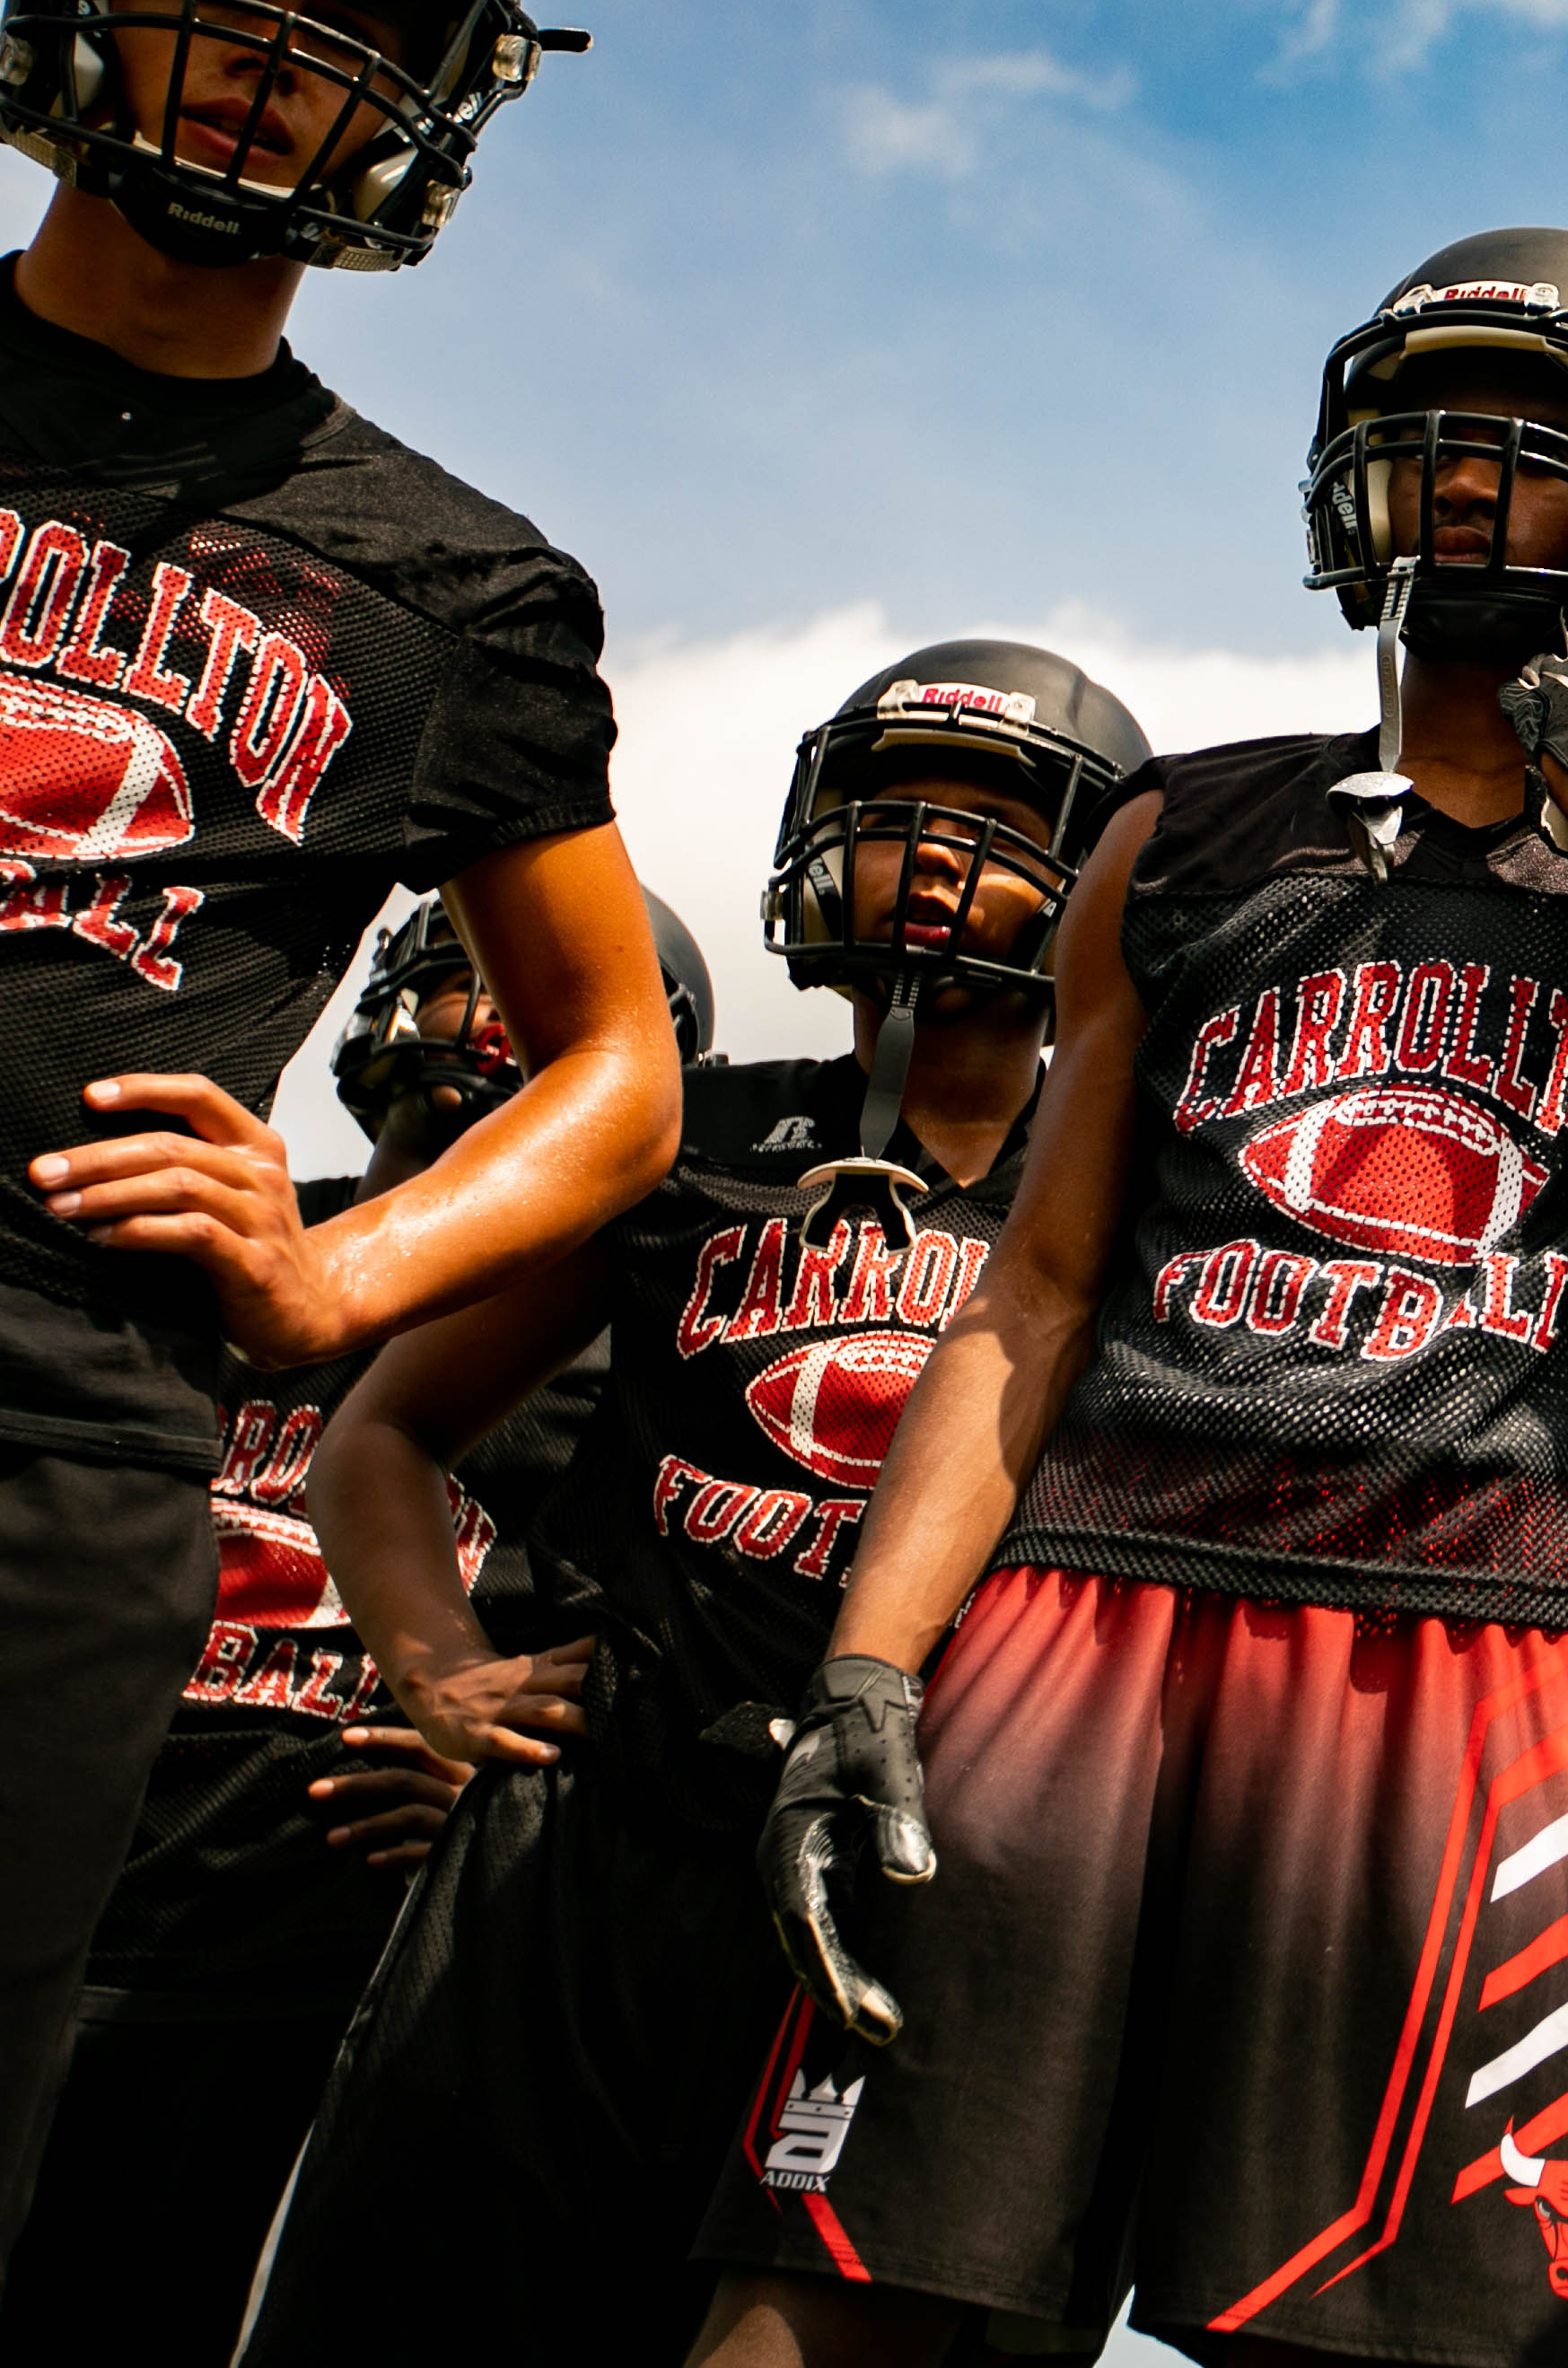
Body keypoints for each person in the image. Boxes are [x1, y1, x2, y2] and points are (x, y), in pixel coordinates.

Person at [692, 230, 1568, 2368]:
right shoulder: (1182, 827)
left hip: (1465, 1637)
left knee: (1387, 2344)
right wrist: (871, 1665)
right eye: (1435, 427)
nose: (1477, 473)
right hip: (1079, 1608)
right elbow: (1032, 1293)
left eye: (1558, 437)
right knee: (838, 2291)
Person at [0, 0, 681, 2264]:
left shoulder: (456, 585)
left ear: (426, 106)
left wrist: (335, 1274)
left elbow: (619, 1064)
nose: (274, 44)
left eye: (348, 12)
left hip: (53, 1410)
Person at [228, 644, 1142, 2365]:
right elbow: (382, 1435)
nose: (936, 852)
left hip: (908, 1866)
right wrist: (435, 1665)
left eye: (1004, 818)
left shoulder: (1132, 1213)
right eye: (894, 811)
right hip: (585, 1847)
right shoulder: (679, 1140)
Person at [0, 890, 711, 2360]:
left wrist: (507, 1785)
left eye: (534, 1019)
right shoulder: (214, 1241)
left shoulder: (614, 1366)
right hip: (68, 1876)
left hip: (312, 1958)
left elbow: (664, 1648)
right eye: (464, 986)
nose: (492, 1028)